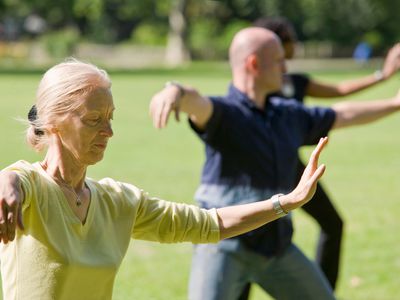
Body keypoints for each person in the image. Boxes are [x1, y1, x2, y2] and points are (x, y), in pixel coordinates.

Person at [0, 59, 328, 300]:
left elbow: (208, 223)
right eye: (94, 120)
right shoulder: (29, 188)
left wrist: (287, 202)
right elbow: (13, 181)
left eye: (110, 118)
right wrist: (6, 182)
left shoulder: (117, 201)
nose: (109, 132)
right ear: (53, 122)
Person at [149, 27, 400, 300]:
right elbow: (195, 103)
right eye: (279, 60)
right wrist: (175, 90)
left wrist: (395, 103)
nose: (286, 66)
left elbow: (342, 114)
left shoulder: (287, 114)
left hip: (276, 250)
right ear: (254, 64)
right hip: (222, 247)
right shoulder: (226, 114)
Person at [232, 17, 400, 297]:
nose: (294, 46)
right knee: (251, 234)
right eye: (289, 40)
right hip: (259, 168)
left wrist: (384, 77)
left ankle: (319, 291)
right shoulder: (255, 87)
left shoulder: (296, 82)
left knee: (330, 224)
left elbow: (339, 96)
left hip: (292, 166)